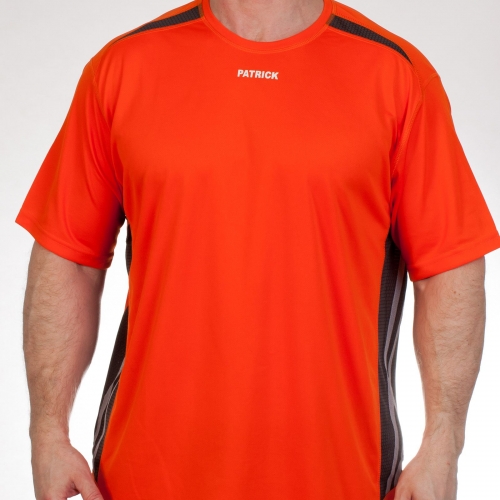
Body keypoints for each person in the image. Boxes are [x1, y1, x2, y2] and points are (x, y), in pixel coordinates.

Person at [15, 0, 500, 498]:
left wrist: (444, 442)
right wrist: (47, 432)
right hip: (144, 479)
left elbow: (449, 267)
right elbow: (69, 258)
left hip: (338, 479)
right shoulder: (123, 68)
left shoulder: (396, 75)